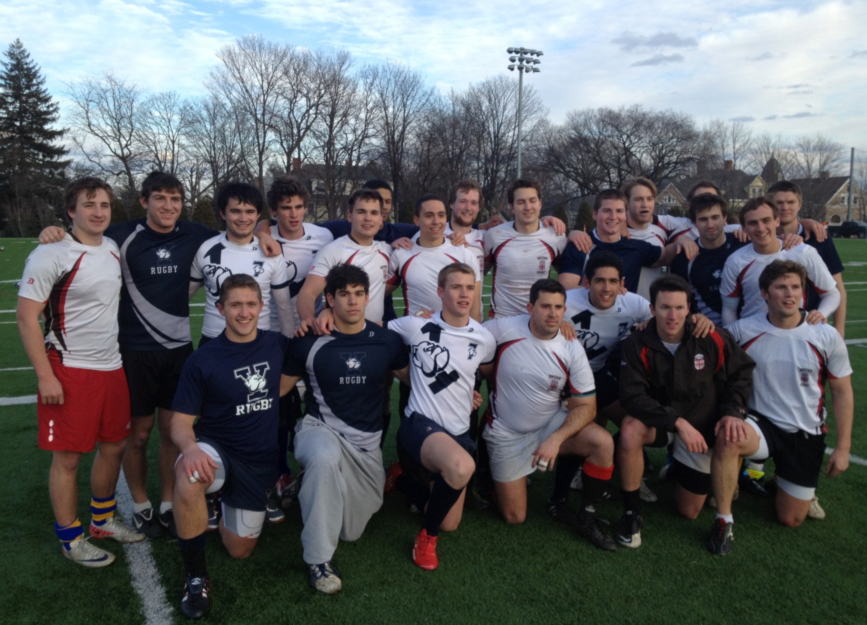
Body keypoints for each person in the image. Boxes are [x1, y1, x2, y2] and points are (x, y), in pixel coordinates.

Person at [17, 177, 145, 567]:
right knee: (69, 459)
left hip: (112, 367)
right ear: (71, 211)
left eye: (104, 205)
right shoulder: (51, 252)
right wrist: (45, 376)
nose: (98, 212)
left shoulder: (111, 247)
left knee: (114, 447)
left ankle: (103, 520)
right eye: (89, 205)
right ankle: (71, 539)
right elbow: (26, 317)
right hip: (69, 369)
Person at [708, 261, 853, 554]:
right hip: (758, 424)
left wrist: (843, 448)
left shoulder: (825, 336)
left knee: (790, 518)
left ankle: (785, 482)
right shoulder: (742, 330)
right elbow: (705, 352)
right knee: (728, 435)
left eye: (796, 287)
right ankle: (724, 520)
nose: (789, 294)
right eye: (781, 287)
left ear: (803, 293)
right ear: (764, 293)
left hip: (804, 432)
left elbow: (842, 391)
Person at [170, 275, 292, 619]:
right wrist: (190, 449)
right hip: (217, 450)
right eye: (235, 305)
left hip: (257, 463)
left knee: (239, 551)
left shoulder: (277, 344)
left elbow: (317, 339)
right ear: (220, 309)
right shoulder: (203, 359)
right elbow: (179, 423)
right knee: (189, 473)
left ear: (261, 307)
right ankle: (195, 576)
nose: (244, 312)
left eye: (251, 304)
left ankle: (221, 506)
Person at [282, 265, 409, 594]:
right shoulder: (308, 342)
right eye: (343, 294)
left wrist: (467, 391)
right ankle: (318, 561)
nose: (352, 301)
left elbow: (415, 382)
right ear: (330, 299)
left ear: (368, 298)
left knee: (350, 531)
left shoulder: (387, 341)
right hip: (318, 429)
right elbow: (277, 391)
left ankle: (306, 483)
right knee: (324, 458)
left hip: (365, 446)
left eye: (358, 294)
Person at [615, 275, 755, 549]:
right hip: (664, 423)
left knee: (689, 511)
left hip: (702, 427)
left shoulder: (711, 335)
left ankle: (683, 469)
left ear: (690, 308)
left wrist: (732, 412)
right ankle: (631, 514)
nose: (672, 315)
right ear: (652, 309)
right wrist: (676, 421)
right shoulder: (636, 342)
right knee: (630, 429)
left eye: (679, 308)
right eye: (665, 307)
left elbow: (741, 371)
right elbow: (632, 397)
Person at [482, 279, 617, 551]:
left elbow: (588, 406)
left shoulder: (571, 347)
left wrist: (556, 439)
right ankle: (489, 477)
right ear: (530, 308)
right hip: (506, 431)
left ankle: (587, 516)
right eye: (545, 306)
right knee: (514, 517)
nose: (553, 313)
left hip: (549, 425)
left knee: (602, 442)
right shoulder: (504, 328)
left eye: (558, 307)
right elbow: (463, 333)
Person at [388, 263, 496, 570]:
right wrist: (403, 373)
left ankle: (402, 481)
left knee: (451, 521)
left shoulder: (483, 337)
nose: (464, 294)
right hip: (420, 425)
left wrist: (470, 393)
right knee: (462, 467)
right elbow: (374, 335)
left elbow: (479, 373)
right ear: (440, 292)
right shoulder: (415, 326)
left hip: (459, 432)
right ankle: (426, 538)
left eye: (469, 288)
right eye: (455, 287)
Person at [264, 176, 334, 509]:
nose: (293, 215)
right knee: (276, 406)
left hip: (312, 334)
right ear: (274, 211)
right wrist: (261, 230)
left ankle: (312, 471)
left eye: (298, 207)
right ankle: (278, 471)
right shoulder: (259, 236)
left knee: (315, 405)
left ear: (306, 207)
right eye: (285, 208)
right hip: (272, 336)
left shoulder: (323, 236)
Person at [190, 182, 294, 345]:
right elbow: (185, 296)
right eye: (235, 211)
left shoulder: (271, 253)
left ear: (258, 215)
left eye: (250, 211)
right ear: (223, 213)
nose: (243, 218)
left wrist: (289, 346)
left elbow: (284, 308)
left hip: (258, 342)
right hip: (213, 341)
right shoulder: (206, 248)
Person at [720, 198, 840, 327]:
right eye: (753, 223)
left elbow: (831, 294)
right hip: (753, 337)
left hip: (796, 334)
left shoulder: (804, 253)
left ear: (777, 221)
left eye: (766, 220)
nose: (760, 228)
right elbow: (729, 308)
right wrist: (732, 340)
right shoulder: (735, 260)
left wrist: (821, 313)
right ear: (743, 228)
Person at [558, 189, 692, 294]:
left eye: (619, 211)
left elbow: (667, 255)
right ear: (595, 214)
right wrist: (606, 293)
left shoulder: (635, 247)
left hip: (626, 324)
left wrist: (681, 239)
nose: (613, 217)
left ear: (625, 215)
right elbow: (566, 286)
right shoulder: (581, 244)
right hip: (586, 323)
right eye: (606, 211)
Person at [296, 189, 392, 333]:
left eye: (374, 213)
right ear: (349, 216)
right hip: (339, 335)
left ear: (381, 219)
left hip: (373, 335)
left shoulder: (387, 250)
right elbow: (308, 292)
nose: (368, 218)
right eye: (361, 212)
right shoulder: (333, 251)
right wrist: (309, 319)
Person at [769, 180, 846, 336]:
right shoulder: (759, 237)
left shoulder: (819, 238)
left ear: (800, 204)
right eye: (779, 203)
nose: (785, 207)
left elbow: (838, 289)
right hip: (768, 325)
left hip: (808, 327)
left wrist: (839, 333)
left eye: (791, 202)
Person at [484, 179, 567, 318]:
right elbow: (478, 274)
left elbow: (566, 278)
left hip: (538, 320)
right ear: (511, 207)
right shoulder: (494, 235)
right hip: (502, 319)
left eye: (532, 200)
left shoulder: (555, 237)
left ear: (540, 203)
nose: (528, 207)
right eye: (521, 202)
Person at [623, 177, 698, 300]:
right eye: (638, 199)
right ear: (627, 203)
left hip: (654, 311)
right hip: (624, 310)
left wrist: (681, 238)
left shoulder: (661, 232)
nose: (645, 204)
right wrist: (578, 233)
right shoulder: (616, 235)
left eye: (649, 199)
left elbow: (697, 223)